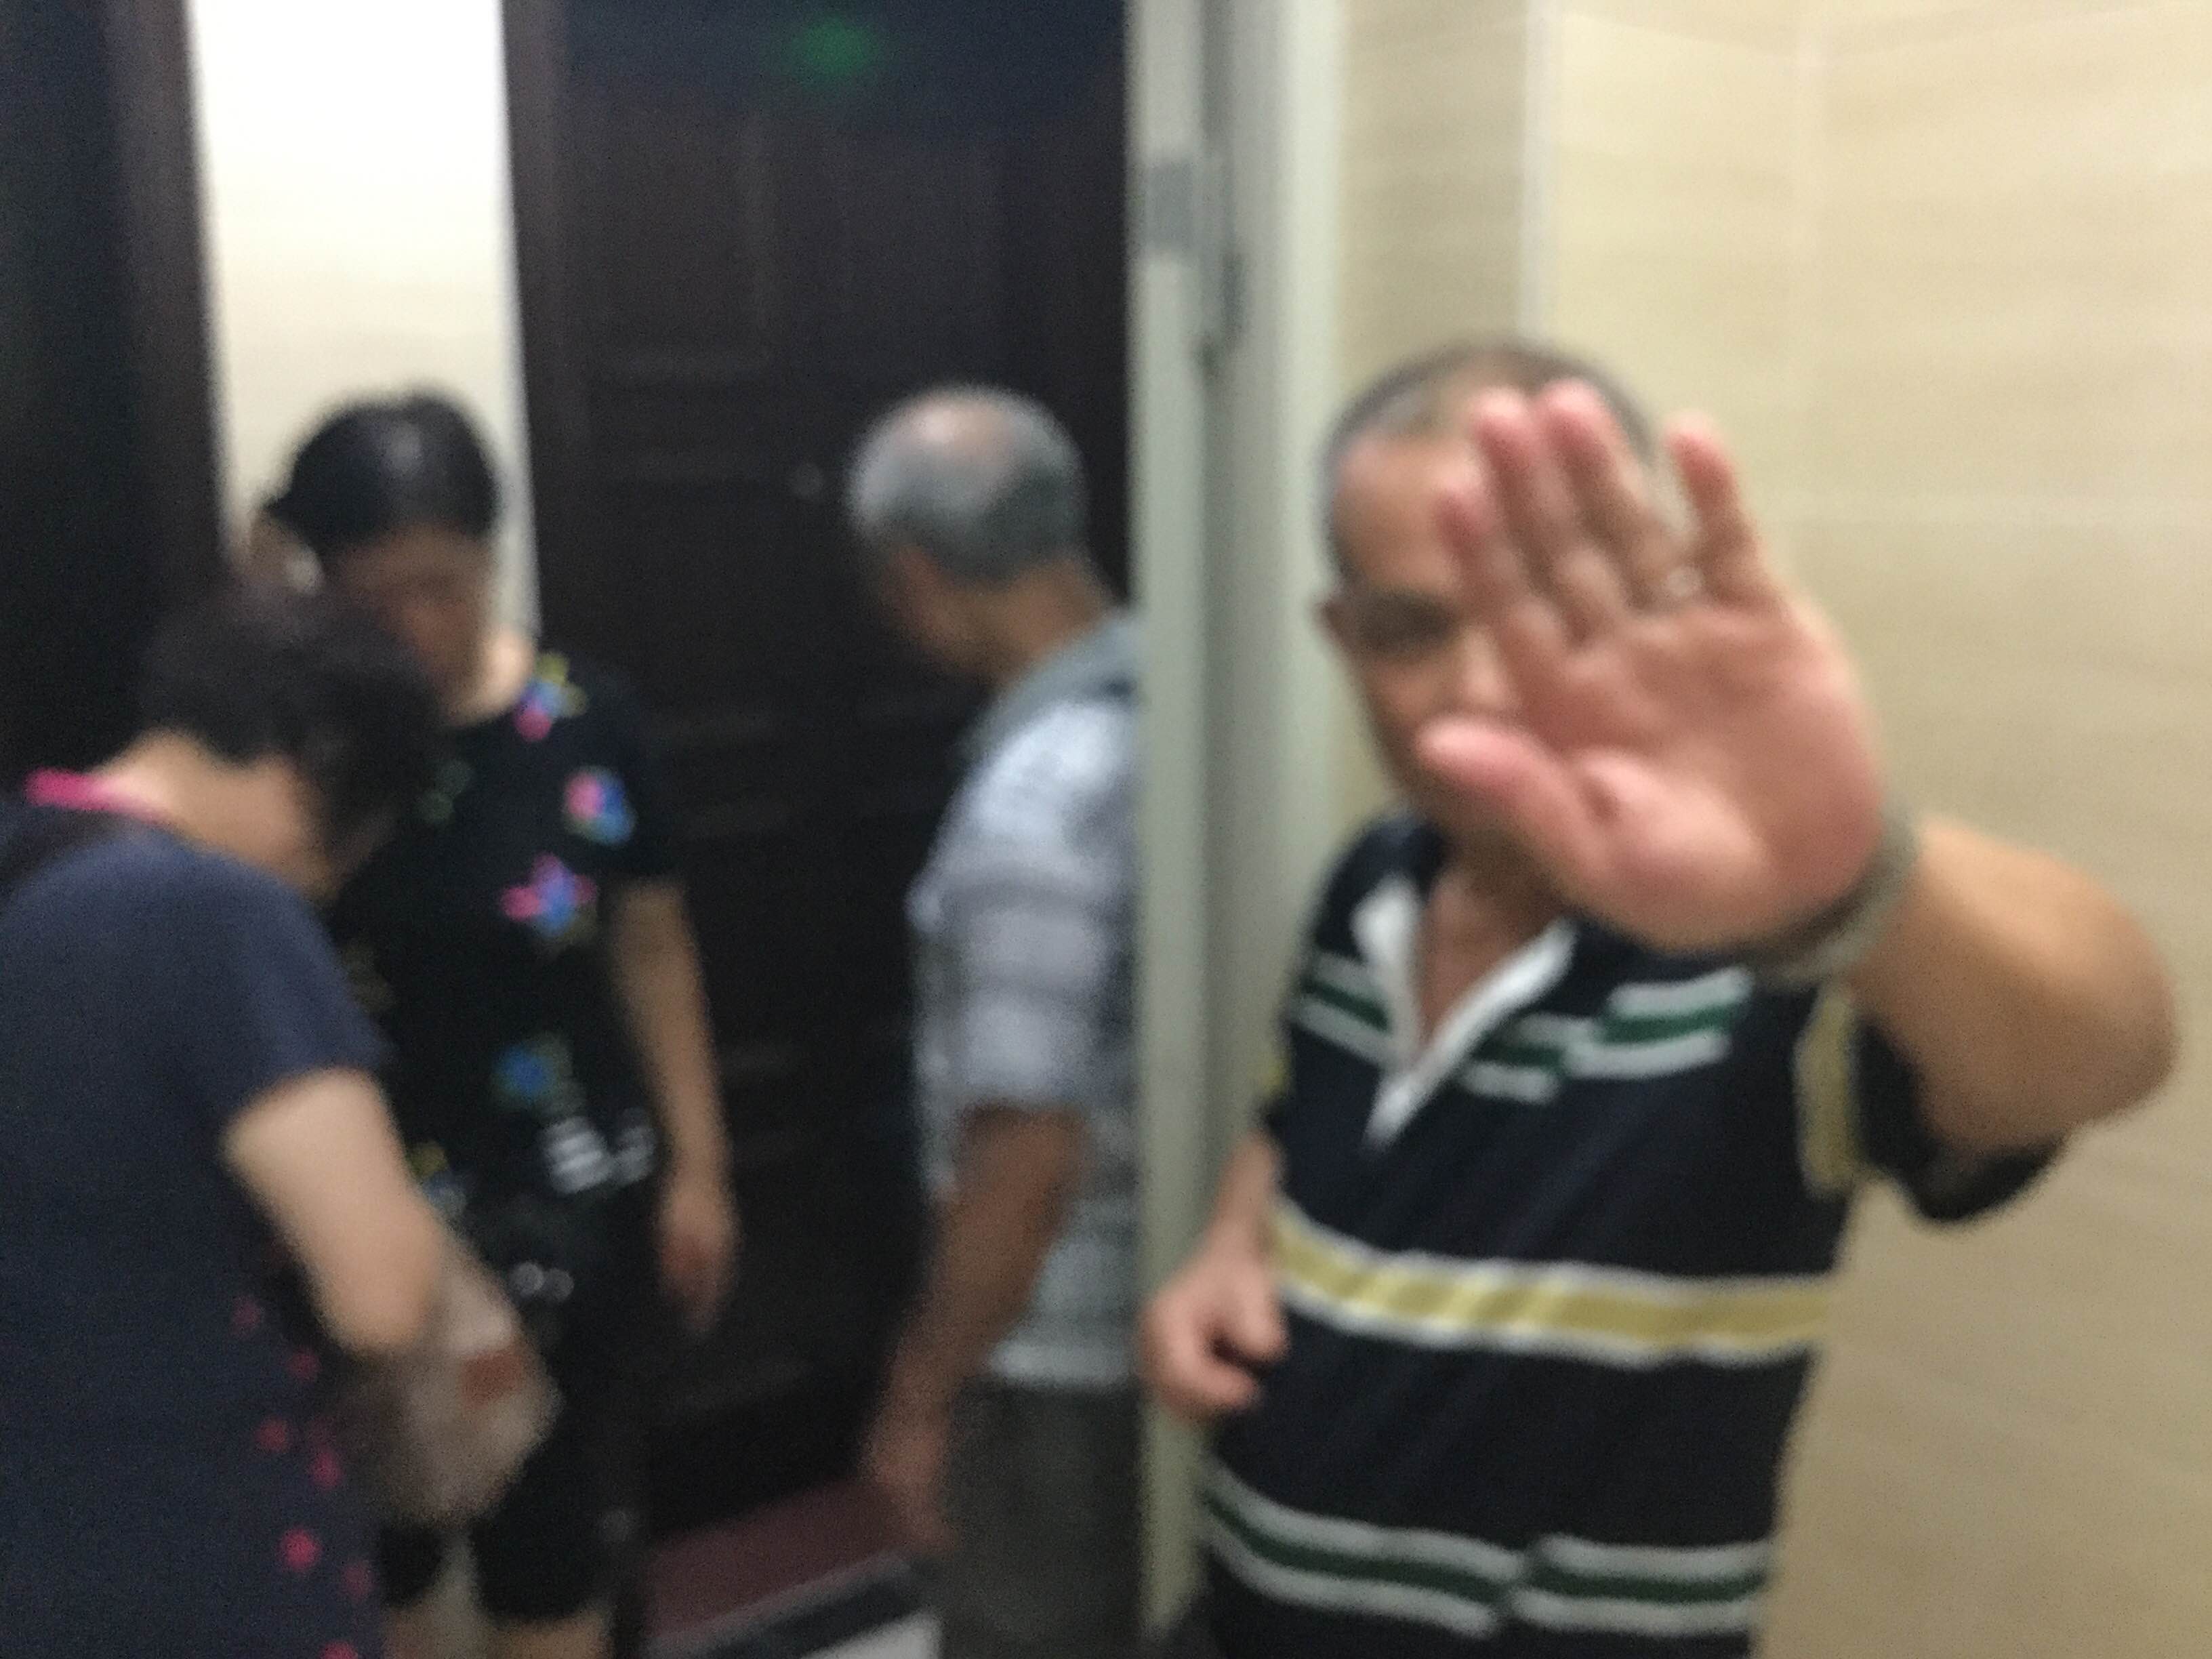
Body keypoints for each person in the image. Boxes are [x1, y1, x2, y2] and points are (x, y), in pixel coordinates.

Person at [1142, 340, 2178, 1658]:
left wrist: (1852, 882)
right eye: (1410, 631)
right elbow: (1294, 1114)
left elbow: (2107, 1048)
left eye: (1536, 614)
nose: (1479, 690)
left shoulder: (1763, 957)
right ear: (1343, 638)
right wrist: (1231, 1243)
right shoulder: (1373, 879)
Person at [264, 392, 738, 1659]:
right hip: (356, 1204)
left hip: (568, 1189)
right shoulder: (297, 745)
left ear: (490, 555)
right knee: (377, 1553)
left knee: (554, 1543)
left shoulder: (589, 720)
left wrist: (699, 1165)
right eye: (377, 595)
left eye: (445, 583)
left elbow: (653, 942)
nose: (416, 624)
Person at [0, 590, 451, 1658]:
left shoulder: (23, 851)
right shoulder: (213, 913)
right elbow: (383, 1300)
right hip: (196, 1531)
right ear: (315, 769)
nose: (328, 881)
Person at [847, 386, 1141, 1659]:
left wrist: (920, 1395)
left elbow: (1023, 1156)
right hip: (1165, 1300)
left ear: (915, 576)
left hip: (1052, 1351)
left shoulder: (1037, 803)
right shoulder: (1190, 703)